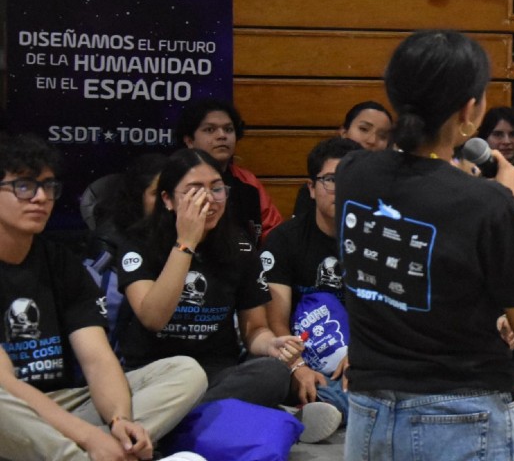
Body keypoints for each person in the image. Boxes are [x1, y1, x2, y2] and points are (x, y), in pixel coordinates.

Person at [337, 29, 514, 461]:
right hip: (460, 411)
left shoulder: (352, 172)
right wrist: (508, 205)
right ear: (469, 110)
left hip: (368, 410)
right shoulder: (487, 203)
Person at [0, 134, 207, 461]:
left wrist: (119, 420)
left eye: (48, 186)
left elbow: (97, 360)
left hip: (64, 404)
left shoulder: (60, 261)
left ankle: (102, 449)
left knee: (185, 372)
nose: (40, 197)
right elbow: (5, 384)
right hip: (10, 415)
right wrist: (84, 436)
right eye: (24, 186)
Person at [113, 148, 342, 444]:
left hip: (217, 373)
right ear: (168, 199)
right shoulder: (138, 243)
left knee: (272, 372)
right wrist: (186, 243)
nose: (208, 199)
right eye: (194, 190)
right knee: (189, 381)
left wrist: (272, 344)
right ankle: (268, 423)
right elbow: (153, 318)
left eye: (217, 188)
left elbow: (254, 329)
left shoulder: (240, 246)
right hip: (156, 374)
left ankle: (169, 429)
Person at [263, 137, 362, 422]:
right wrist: (298, 366)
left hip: (359, 354)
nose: (341, 189)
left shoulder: (377, 240)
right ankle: (329, 405)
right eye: (331, 179)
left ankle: (319, 409)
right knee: (271, 372)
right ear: (311, 188)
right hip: (304, 352)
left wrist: (362, 355)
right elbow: (276, 322)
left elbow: (386, 314)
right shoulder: (285, 240)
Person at [176, 99, 283, 242]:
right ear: (189, 140)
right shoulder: (174, 179)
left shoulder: (248, 183)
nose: (222, 135)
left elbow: (275, 235)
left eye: (228, 129)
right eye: (210, 129)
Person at [292, 101, 395, 223]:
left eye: (382, 136)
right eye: (364, 129)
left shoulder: (392, 191)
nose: (372, 140)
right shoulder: (318, 188)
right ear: (343, 133)